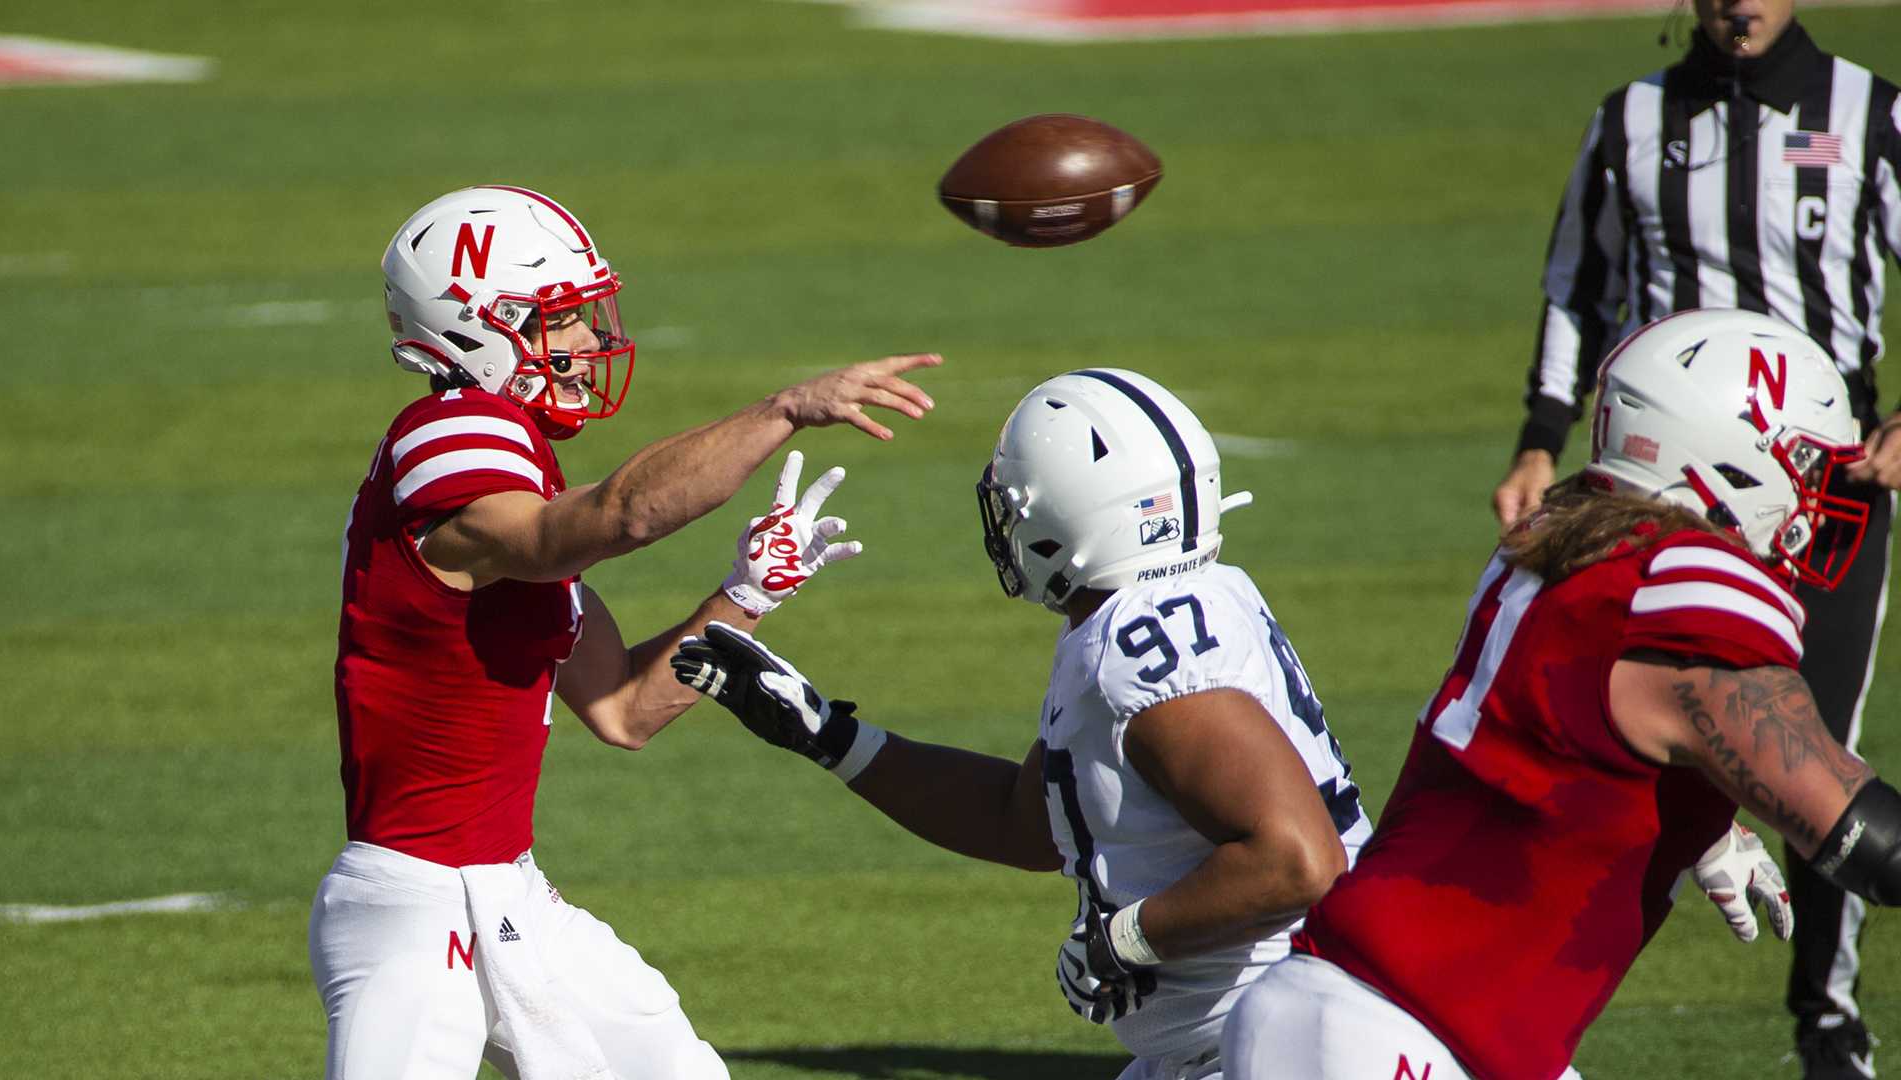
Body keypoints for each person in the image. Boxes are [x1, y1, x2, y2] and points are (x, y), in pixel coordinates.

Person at [308, 184, 941, 1080]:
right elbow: (621, 515)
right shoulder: (448, 432)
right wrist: (784, 411)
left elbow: (627, 711)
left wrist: (747, 591)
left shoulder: (512, 506)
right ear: (469, 328)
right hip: (415, 899)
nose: (586, 343)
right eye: (554, 319)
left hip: (506, 890)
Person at [1224, 309, 1900, 1080]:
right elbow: (1870, 842)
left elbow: (1562, 734)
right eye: (1805, 468)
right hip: (1398, 1033)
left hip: (1378, 1015)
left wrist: (1693, 827)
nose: (1814, 500)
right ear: (1732, 462)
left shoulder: (1581, 544)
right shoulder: (1688, 602)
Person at [670, 369, 1375, 1080]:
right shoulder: (1177, 602)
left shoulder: (1134, 653)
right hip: (1261, 1029)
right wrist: (828, 736)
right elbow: (1025, 820)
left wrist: (1124, 941)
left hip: (1280, 1045)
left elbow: (1295, 861)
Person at [1490, 1, 1901, 1070]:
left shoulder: (1871, 113)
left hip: (1827, 486)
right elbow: (1572, 284)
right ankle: (1519, 1001)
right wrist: (1540, 437)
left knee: (1811, 752)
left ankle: (1827, 1018)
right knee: (1601, 727)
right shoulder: (1629, 120)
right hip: (1656, 486)